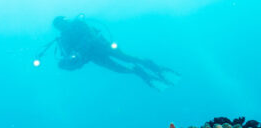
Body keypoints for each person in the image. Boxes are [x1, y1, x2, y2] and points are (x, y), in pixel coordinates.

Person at [36, 15, 176, 88]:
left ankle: (158, 69)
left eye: (62, 22)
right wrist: (70, 62)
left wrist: (79, 51)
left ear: (65, 20)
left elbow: (89, 35)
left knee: (128, 58)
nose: (62, 26)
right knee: (118, 68)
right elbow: (69, 56)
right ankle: (140, 73)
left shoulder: (78, 23)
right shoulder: (63, 39)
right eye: (59, 26)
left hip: (102, 46)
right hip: (94, 56)